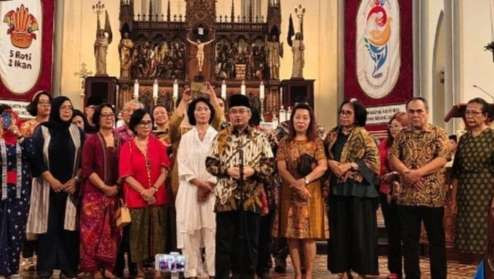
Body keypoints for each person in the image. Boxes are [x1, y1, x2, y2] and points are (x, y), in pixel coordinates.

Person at [206, 94, 274, 279]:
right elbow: (210, 164)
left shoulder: (260, 138)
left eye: (242, 112)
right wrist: (227, 170)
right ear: (228, 115)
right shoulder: (220, 137)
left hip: (252, 198)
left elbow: (270, 165)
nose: (238, 115)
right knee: (224, 243)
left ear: (249, 114)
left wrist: (253, 171)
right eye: (234, 112)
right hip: (225, 199)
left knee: (250, 242)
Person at [389, 97, 449, 279]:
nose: (415, 115)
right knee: (409, 243)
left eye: (419, 111)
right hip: (407, 197)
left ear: (427, 112)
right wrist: (407, 172)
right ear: (407, 113)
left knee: (436, 242)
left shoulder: (438, 133)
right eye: (411, 111)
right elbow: (393, 158)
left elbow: (442, 158)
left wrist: (418, 173)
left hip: (432, 197)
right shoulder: (401, 135)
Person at [27, 96, 84, 279]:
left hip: (70, 189)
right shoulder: (42, 130)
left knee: (69, 230)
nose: (67, 111)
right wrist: (50, 179)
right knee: (49, 228)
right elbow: (34, 156)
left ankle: (69, 268)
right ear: (56, 109)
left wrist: (76, 180)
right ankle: (46, 268)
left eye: (70, 107)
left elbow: (85, 159)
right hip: (48, 187)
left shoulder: (77, 131)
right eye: (63, 108)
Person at [325, 99, 380, 279]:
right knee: (340, 233)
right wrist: (330, 163)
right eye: (342, 112)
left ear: (357, 116)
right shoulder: (332, 135)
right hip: (338, 190)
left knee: (360, 233)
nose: (343, 115)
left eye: (348, 113)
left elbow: (374, 163)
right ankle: (342, 269)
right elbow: (323, 155)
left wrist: (350, 165)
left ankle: (363, 269)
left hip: (360, 191)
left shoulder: (365, 135)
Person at [276, 103, 327, 279]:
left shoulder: (316, 142)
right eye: (298, 117)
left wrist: (304, 181)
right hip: (289, 191)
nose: (301, 121)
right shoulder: (284, 142)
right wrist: (297, 185)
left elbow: (323, 166)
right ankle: (297, 273)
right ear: (292, 120)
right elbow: (281, 168)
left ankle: (309, 272)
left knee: (309, 235)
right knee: (292, 235)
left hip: (311, 192)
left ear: (310, 121)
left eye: (305, 118)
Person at [119, 109, 171, 278]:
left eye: (149, 122)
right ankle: (139, 269)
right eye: (142, 123)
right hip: (136, 197)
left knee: (159, 234)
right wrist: (143, 192)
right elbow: (126, 175)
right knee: (137, 235)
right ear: (134, 125)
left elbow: (165, 170)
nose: (146, 126)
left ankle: (159, 269)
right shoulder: (127, 146)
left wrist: (153, 190)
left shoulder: (158, 144)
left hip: (158, 196)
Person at [176, 97, 218, 278]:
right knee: (190, 231)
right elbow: (182, 163)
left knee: (211, 230)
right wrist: (198, 183)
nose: (202, 112)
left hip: (212, 189)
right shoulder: (186, 137)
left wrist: (208, 184)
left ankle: (211, 270)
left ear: (211, 112)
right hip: (190, 188)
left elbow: (221, 162)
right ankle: (192, 270)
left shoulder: (217, 136)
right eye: (198, 109)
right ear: (192, 113)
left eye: (205, 109)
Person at [79, 104, 121, 278]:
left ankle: (108, 268)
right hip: (94, 194)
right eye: (104, 115)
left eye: (111, 115)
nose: (108, 118)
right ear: (97, 119)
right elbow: (87, 169)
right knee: (91, 233)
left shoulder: (121, 140)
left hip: (115, 193)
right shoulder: (91, 140)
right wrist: (104, 188)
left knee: (113, 231)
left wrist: (116, 187)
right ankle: (94, 269)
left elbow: (126, 167)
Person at [450, 97, 494, 262]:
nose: (469, 116)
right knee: (466, 230)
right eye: (467, 112)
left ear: (485, 116)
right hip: (465, 190)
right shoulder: (464, 139)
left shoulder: (492, 137)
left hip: (486, 190)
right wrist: (453, 198)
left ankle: (485, 267)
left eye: (475, 113)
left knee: (485, 230)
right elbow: (456, 171)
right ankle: (471, 267)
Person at [0, 106, 36, 277]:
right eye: (4, 118)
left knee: (16, 229)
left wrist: (19, 136)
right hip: (2, 190)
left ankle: (12, 267)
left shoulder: (24, 137)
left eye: (11, 117)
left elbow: (34, 157)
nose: (7, 121)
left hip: (20, 192)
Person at [19, 90, 52, 271]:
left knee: (46, 217)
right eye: (42, 102)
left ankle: (43, 255)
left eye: (48, 102)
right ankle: (27, 255)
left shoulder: (55, 126)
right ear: (35, 106)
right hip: (32, 177)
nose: (46, 106)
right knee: (30, 215)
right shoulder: (27, 126)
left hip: (52, 179)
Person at [378, 112, 409, 279]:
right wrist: (387, 176)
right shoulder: (384, 144)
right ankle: (394, 270)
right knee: (393, 233)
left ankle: (411, 269)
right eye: (391, 126)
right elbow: (378, 165)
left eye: (396, 125)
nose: (393, 129)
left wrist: (399, 175)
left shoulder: (410, 143)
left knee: (408, 233)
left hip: (408, 192)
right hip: (387, 192)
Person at [114, 100, 142, 278]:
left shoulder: (146, 134)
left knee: (137, 230)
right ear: (122, 114)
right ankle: (116, 266)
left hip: (141, 188)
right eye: (128, 110)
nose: (131, 113)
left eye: (135, 111)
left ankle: (135, 266)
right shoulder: (117, 135)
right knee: (119, 227)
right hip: (121, 186)